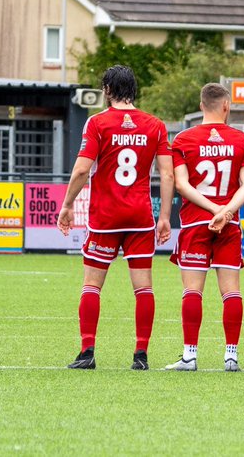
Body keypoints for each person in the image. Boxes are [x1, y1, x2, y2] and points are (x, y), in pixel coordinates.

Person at [58, 65, 174, 371]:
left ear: (107, 90)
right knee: (143, 288)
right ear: (134, 89)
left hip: (105, 217)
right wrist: (164, 216)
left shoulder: (97, 123)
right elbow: (167, 173)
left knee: (92, 286)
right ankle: (141, 355)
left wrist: (67, 204)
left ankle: (87, 352)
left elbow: (82, 169)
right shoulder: (155, 125)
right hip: (140, 217)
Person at [165, 83, 244, 372]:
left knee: (193, 290)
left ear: (201, 105)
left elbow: (182, 184)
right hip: (229, 224)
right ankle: (231, 356)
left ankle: (189, 356)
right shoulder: (242, 140)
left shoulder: (183, 139)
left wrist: (214, 210)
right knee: (231, 291)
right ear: (226, 106)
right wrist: (226, 211)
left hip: (195, 222)